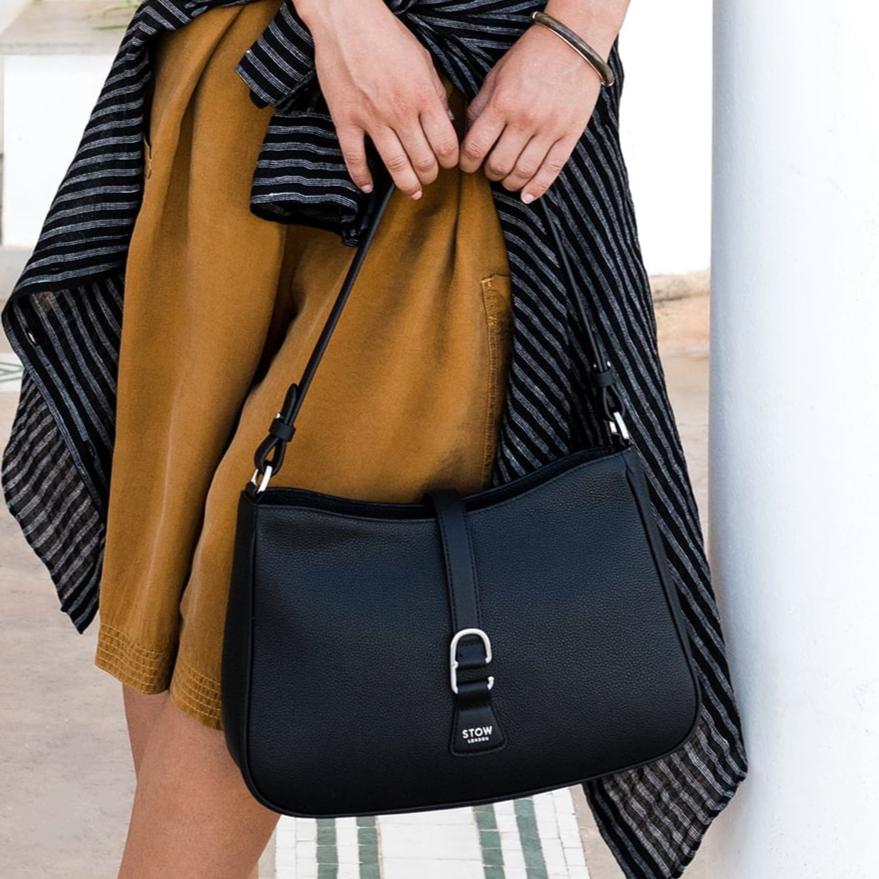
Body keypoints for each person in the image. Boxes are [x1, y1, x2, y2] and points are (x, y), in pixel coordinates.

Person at [1, 0, 747, 876]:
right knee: (170, 577)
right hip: (240, 70)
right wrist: (344, 18)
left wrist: (579, 32)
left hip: (458, 122)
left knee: (260, 610)